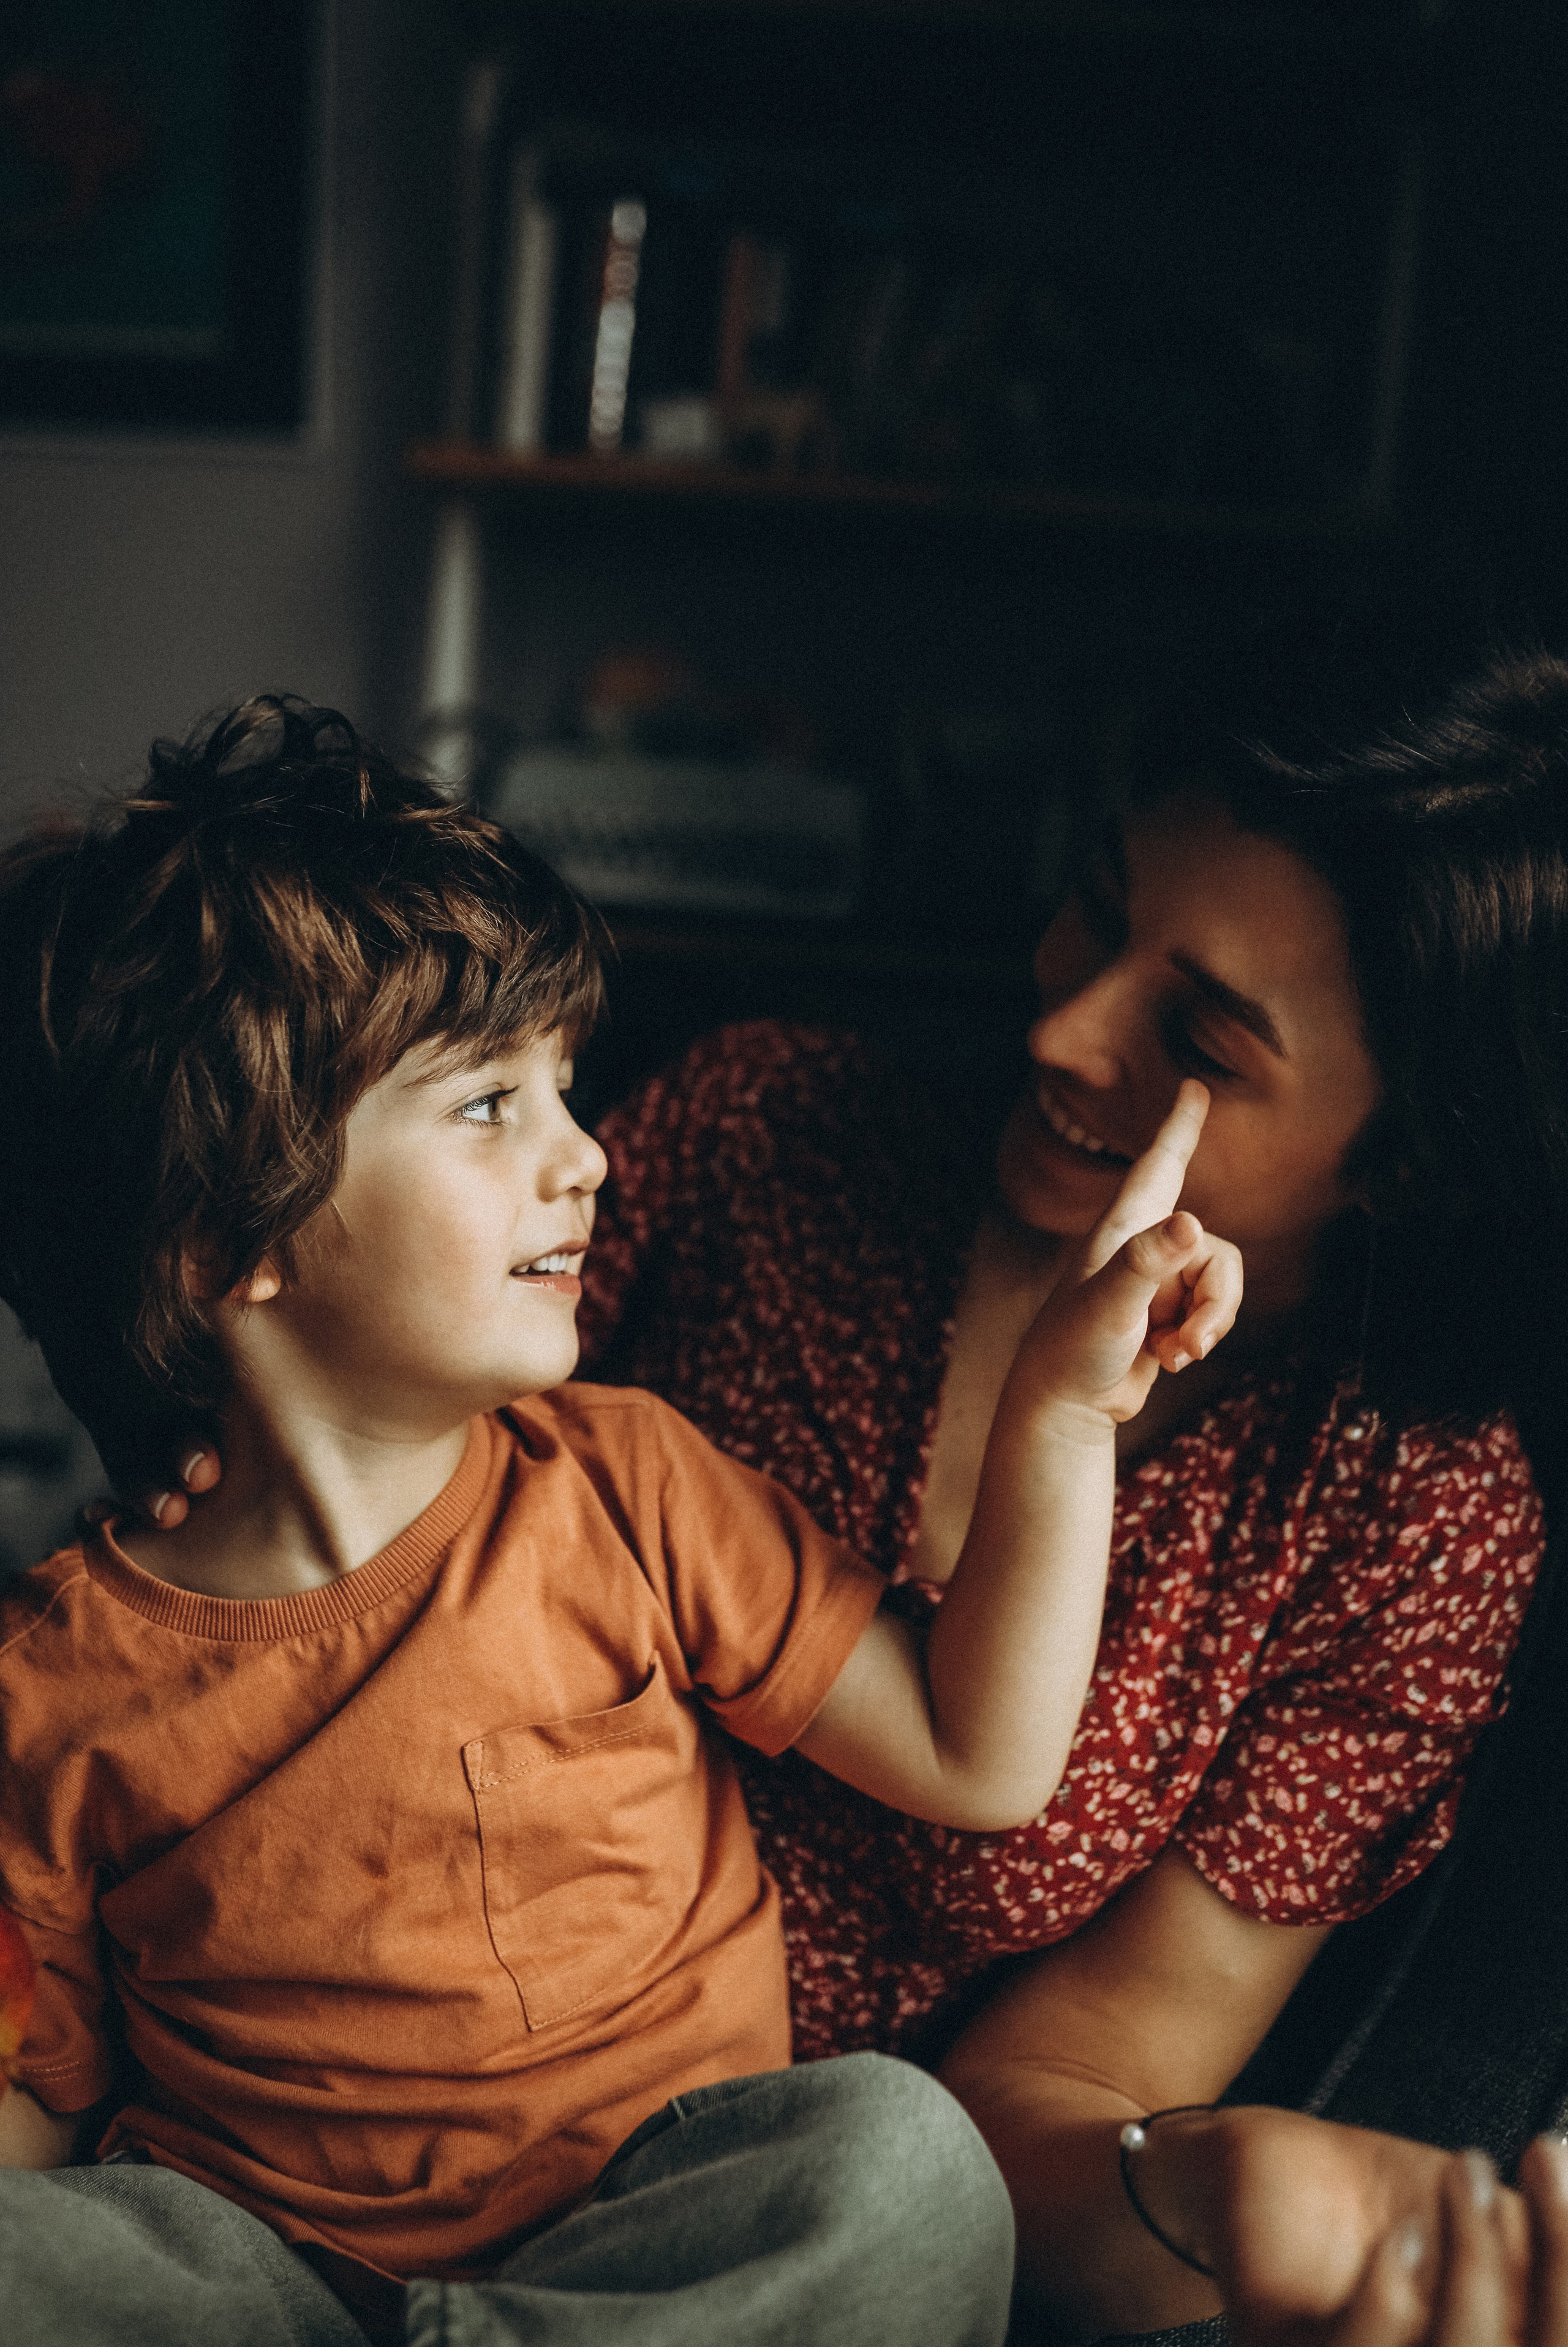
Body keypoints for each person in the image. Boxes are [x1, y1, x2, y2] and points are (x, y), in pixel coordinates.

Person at [125, 641, 1568, 2341]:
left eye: (1200, 1038)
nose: (1059, 1022)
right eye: (1094, 913)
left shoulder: (1412, 1523)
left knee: (893, 2177)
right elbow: (328, 1428)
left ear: (1407, 1151)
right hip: (321, 2105)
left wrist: (1221, 2190)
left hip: (750, 2237)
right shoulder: (767, 1129)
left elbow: (1063, 2086)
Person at [0, 698, 1243, 2347]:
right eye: (486, 1105)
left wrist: (1065, 1407)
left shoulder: (628, 1486)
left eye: (565, 1088)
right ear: (231, 1246)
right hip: (262, 2278)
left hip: (664, 2244)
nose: (583, 1155)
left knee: (904, 2164)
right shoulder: (52, 1688)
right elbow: (40, 2110)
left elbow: (978, 1755)